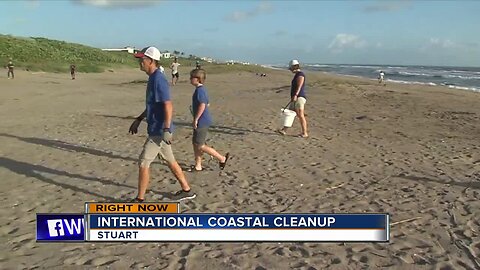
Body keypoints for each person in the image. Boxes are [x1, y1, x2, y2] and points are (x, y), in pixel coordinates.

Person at [129, 46, 196, 202]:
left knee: (143, 162)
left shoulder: (158, 79)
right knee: (170, 160)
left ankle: (139, 199)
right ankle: (187, 189)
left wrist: (166, 128)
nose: (140, 63)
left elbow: (168, 104)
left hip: (159, 130)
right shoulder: (153, 77)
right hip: (157, 127)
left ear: (151, 61)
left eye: (142, 60)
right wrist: (139, 119)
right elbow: (153, 105)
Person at [188, 68, 230, 172]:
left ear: (197, 79)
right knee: (195, 143)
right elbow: (207, 103)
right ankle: (198, 165)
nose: (190, 79)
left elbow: (203, 105)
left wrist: (196, 119)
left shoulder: (200, 90)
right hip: (202, 120)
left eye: (192, 77)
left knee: (200, 145)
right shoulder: (201, 90)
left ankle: (221, 158)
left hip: (202, 121)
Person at [277, 59, 308, 138]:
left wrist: (296, 95)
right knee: (290, 114)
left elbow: (300, 86)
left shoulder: (300, 75)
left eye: (290, 68)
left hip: (299, 97)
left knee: (300, 115)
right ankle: (284, 130)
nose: (290, 70)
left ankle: (305, 133)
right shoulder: (297, 74)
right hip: (295, 98)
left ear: (294, 67)